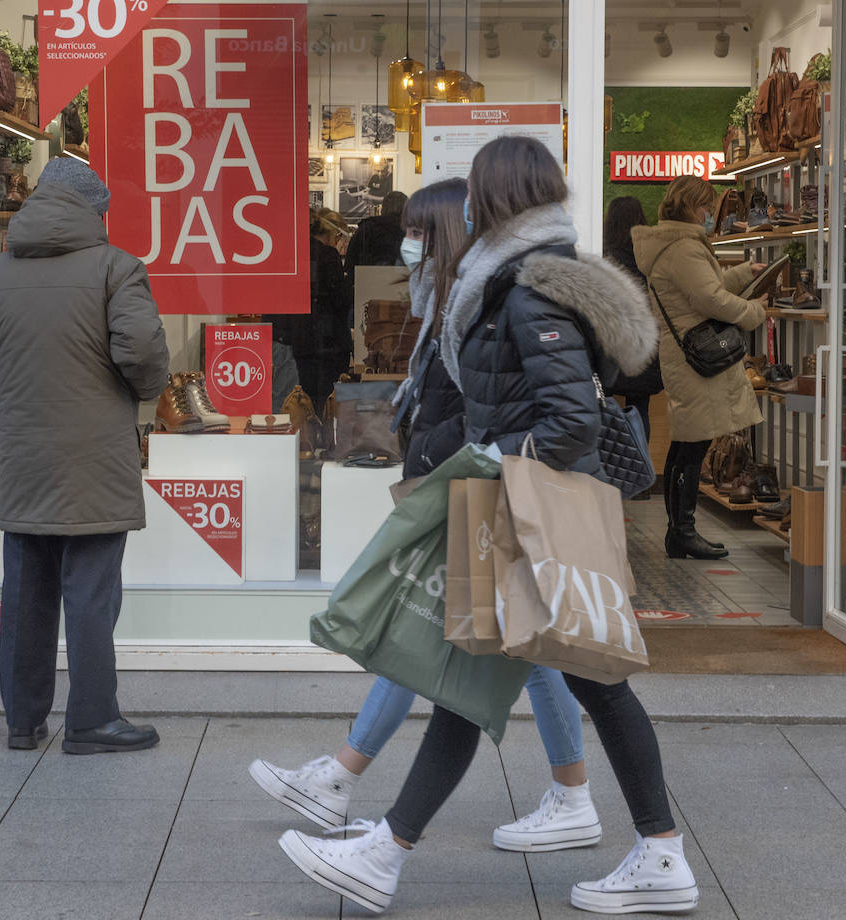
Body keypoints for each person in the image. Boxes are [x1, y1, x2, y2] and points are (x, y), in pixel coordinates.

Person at [278, 136, 698, 917]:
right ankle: (391, 849)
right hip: (515, 504)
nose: (461, 205)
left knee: (565, 682)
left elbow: (568, 421)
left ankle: (656, 852)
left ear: (498, 195)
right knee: (483, 681)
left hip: (528, 508)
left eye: (474, 191)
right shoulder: (507, 281)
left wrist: (487, 455)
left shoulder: (530, 290)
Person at [251, 178, 603, 856]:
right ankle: (565, 795)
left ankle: (361, 794)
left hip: (483, 489)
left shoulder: (479, 307)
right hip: (465, 486)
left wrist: (442, 463)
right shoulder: (454, 301)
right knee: (497, 645)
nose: (404, 245)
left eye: (417, 232)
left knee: (495, 647)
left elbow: (487, 410)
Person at [0, 158, 169, 754]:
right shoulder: (117, 270)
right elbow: (141, 350)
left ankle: (23, 721)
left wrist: (10, 391)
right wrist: (138, 392)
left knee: (25, 594)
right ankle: (92, 721)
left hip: (25, 454)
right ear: (96, 212)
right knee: (91, 594)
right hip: (95, 458)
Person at [632, 176, 767, 561]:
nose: (709, 214)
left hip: (683, 356)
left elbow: (700, 288)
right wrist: (755, 312)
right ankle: (682, 532)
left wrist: (742, 274)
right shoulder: (684, 249)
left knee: (687, 443)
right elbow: (709, 298)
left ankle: (680, 531)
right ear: (691, 206)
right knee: (692, 446)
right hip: (697, 361)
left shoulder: (674, 245)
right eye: (706, 206)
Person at [602, 196, 658, 440]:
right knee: (640, 409)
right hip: (642, 347)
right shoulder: (649, 260)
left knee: (604, 407)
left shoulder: (603, 259)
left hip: (609, 348)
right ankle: (641, 464)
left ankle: (612, 464)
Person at [298, 208, 355, 410]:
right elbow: (341, 300)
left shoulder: (298, 252)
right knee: (328, 398)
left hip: (302, 339)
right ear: (335, 234)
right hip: (330, 341)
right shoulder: (328, 255)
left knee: (305, 397)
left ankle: (308, 436)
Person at [344, 190, 408, 285]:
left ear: (383, 209)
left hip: (367, 285)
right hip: (402, 286)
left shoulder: (366, 228)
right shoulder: (410, 231)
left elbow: (350, 263)